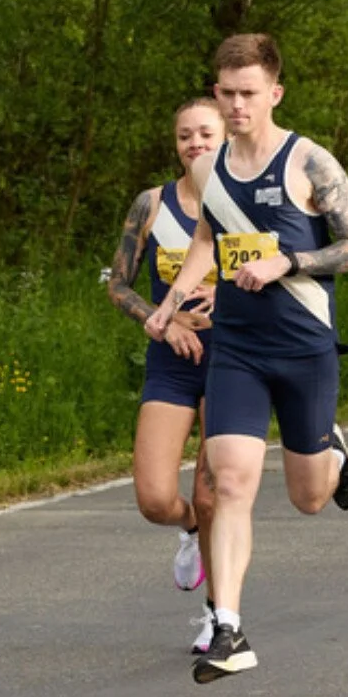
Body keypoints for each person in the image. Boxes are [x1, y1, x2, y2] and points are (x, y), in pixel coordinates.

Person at [144, 34, 348, 683]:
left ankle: (332, 454)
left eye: (248, 93)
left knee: (308, 498)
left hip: (303, 348)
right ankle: (229, 628)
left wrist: (288, 262)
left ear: (275, 92)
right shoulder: (209, 169)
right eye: (227, 93)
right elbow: (207, 241)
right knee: (231, 482)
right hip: (237, 349)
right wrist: (172, 303)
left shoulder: (309, 163)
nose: (236, 105)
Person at [106, 98, 224, 650]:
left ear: (227, 137)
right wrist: (162, 320)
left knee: (213, 495)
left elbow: (281, 275)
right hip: (171, 362)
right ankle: (190, 531)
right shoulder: (151, 204)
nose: (195, 143)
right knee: (155, 498)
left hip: (232, 362)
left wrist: (229, 296)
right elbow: (118, 285)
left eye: (205, 133)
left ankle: (218, 616)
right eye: (184, 135)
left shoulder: (250, 202)